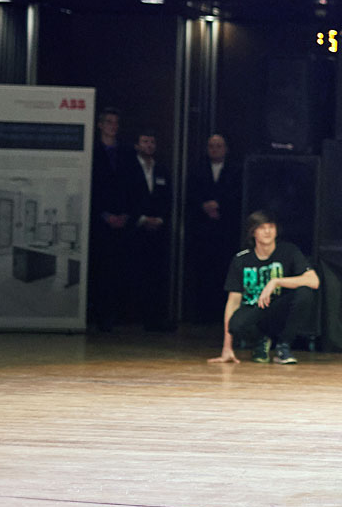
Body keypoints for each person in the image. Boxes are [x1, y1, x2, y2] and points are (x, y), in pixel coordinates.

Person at [210, 211, 320, 365]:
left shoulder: (289, 251)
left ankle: (283, 346)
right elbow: (233, 302)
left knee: (304, 293)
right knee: (235, 325)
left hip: (278, 309)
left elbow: (314, 281)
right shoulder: (241, 259)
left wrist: (276, 282)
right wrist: (227, 347)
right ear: (252, 232)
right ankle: (260, 341)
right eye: (262, 228)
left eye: (271, 227)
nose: (268, 231)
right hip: (255, 310)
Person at [186, 132, 241, 323]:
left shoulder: (236, 170)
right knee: (203, 272)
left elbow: (238, 195)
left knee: (224, 272)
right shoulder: (197, 170)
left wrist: (219, 206)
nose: (215, 149)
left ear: (226, 149)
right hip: (203, 230)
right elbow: (191, 195)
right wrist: (204, 206)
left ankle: (221, 314)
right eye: (211, 146)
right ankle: (202, 314)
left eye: (219, 146)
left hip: (226, 230)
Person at [88, 106, 132, 331]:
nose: (113, 126)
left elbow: (132, 186)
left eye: (116, 123)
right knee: (99, 269)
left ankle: (114, 315)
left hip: (122, 219)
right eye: (108, 122)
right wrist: (104, 215)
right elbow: (91, 186)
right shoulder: (92, 151)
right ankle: (97, 314)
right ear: (100, 125)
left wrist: (125, 214)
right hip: (99, 220)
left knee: (118, 270)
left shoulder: (126, 153)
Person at [125, 129, 175, 330]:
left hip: (158, 231)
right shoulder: (129, 169)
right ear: (137, 145)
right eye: (145, 141)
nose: (149, 145)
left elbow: (167, 198)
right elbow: (127, 197)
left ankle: (155, 318)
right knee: (137, 273)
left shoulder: (162, 169)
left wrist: (160, 219)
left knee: (157, 274)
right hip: (136, 229)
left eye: (152, 142)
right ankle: (135, 317)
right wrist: (142, 219)